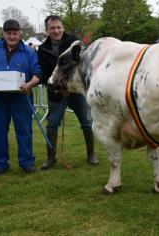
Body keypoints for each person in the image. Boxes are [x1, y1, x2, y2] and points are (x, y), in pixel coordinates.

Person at [0, 19, 42, 177]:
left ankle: (26, 162)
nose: (12, 36)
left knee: (24, 131)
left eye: (15, 33)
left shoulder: (28, 52)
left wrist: (29, 84)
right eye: (9, 33)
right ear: (3, 33)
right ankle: (0, 164)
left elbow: (37, 73)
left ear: (20, 33)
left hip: (21, 97)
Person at [37, 15, 98, 170]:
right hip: (56, 94)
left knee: (86, 123)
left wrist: (71, 84)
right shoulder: (42, 49)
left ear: (62, 27)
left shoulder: (75, 42)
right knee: (51, 126)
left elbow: (84, 64)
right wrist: (58, 86)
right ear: (47, 30)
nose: (56, 31)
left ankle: (91, 155)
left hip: (76, 92)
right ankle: (51, 158)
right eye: (52, 28)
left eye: (58, 27)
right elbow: (44, 74)